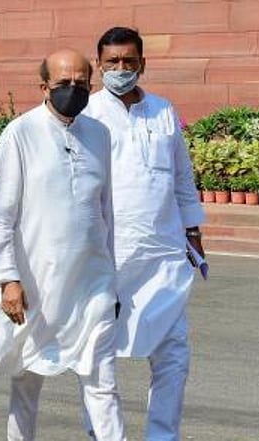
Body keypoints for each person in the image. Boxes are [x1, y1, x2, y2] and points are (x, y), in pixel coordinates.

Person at [0, 49, 126, 441]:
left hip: (91, 284)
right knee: (27, 381)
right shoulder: (20, 133)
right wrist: (7, 279)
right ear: (44, 87)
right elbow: (1, 216)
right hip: (35, 285)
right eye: (63, 83)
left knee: (102, 381)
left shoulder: (99, 135)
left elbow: (105, 212)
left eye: (81, 83)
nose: (73, 89)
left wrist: (112, 281)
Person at [81, 27, 206, 441]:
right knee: (97, 356)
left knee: (173, 354)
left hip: (163, 255)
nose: (121, 68)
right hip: (107, 256)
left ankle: (162, 436)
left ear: (142, 64)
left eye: (129, 61)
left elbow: (182, 177)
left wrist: (192, 229)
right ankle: (104, 435)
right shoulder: (88, 114)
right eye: (112, 62)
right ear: (99, 66)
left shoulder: (163, 111)